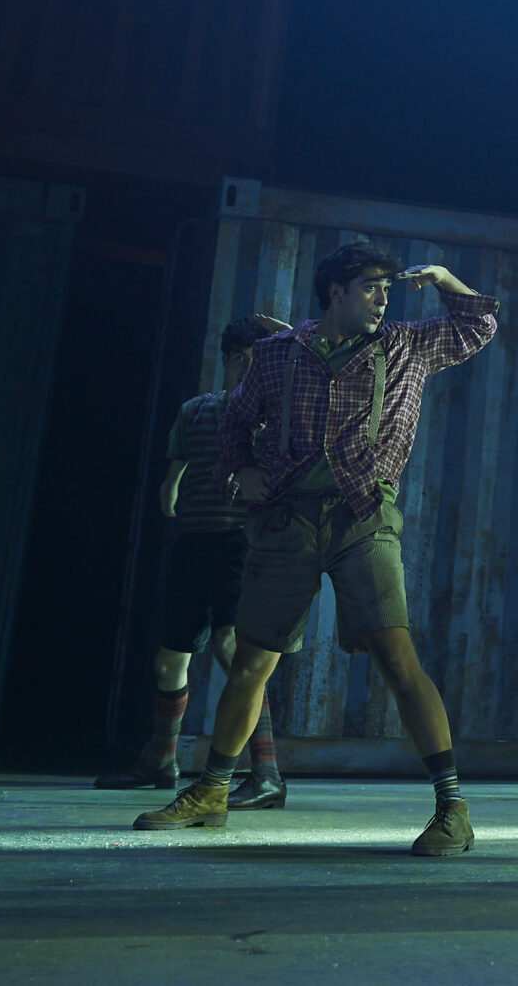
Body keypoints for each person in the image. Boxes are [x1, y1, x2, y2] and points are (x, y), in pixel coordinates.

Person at [134, 242, 497, 855]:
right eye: (371, 287)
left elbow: (479, 323)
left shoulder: (406, 346)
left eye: (387, 288)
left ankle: (452, 809)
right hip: (288, 522)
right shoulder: (279, 353)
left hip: (364, 519)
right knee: (251, 662)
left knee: (398, 660)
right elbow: (235, 418)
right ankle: (212, 792)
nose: (383, 299)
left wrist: (442, 278)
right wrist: (240, 468)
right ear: (336, 292)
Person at [97, 314, 289, 801]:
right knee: (169, 660)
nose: (248, 369)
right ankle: (162, 760)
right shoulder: (195, 412)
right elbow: (173, 477)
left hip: (241, 543)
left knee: (232, 646)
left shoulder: (272, 418)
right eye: (241, 359)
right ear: (229, 360)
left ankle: (266, 770)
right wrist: (171, 492)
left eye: (257, 361)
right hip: (194, 542)